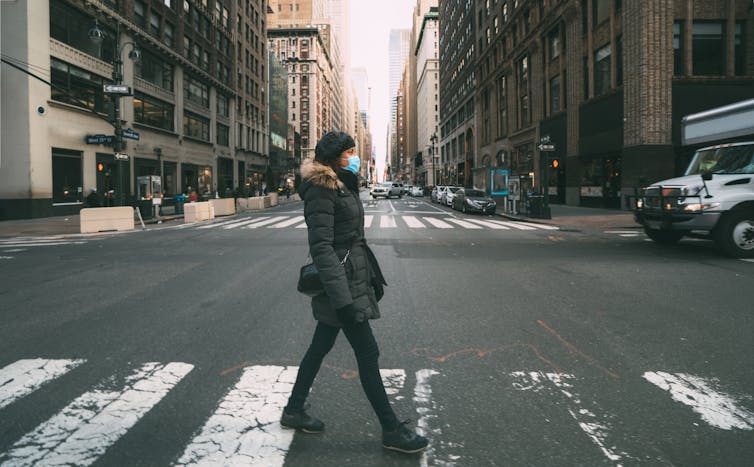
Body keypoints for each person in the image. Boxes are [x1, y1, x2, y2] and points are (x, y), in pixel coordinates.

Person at [281, 131, 429, 454]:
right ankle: (391, 429)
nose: (353, 156)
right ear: (334, 157)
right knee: (368, 353)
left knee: (320, 346)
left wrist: (371, 275)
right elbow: (322, 248)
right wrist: (344, 300)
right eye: (349, 152)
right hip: (342, 287)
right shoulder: (322, 189)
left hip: (350, 279)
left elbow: (351, 239)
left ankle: (293, 409)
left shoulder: (341, 183)